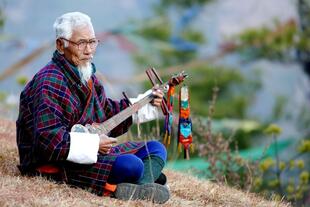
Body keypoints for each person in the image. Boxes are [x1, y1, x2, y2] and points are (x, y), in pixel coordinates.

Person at [16, 12, 170, 204]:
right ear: (60, 45)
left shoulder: (88, 77)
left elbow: (107, 113)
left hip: (89, 155)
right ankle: (130, 184)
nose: (89, 50)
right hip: (54, 163)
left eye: (92, 42)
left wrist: (146, 101)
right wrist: (94, 144)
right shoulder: (48, 82)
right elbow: (48, 142)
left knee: (156, 149)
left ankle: (137, 187)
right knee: (132, 165)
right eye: (81, 43)